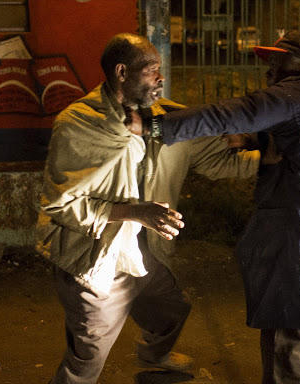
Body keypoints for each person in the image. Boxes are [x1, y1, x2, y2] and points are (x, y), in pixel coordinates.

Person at [152, 31, 300, 384]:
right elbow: (295, 132)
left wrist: (155, 125)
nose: (269, 68)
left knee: (288, 318)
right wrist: (254, 137)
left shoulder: (295, 92)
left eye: (278, 60)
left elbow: (233, 112)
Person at [36, 33, 260, 383]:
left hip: (146, 251)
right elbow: (61, 205)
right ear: (122, 72)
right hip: (97, 256)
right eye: (152, 70)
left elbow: (222, 162)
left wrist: (279, 158)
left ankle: (153, 352)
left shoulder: (168, 121)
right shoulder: (79, 123)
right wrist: (136, 212)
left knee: (171, 309)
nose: (161, 78)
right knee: (86, 359)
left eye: (160, 70)